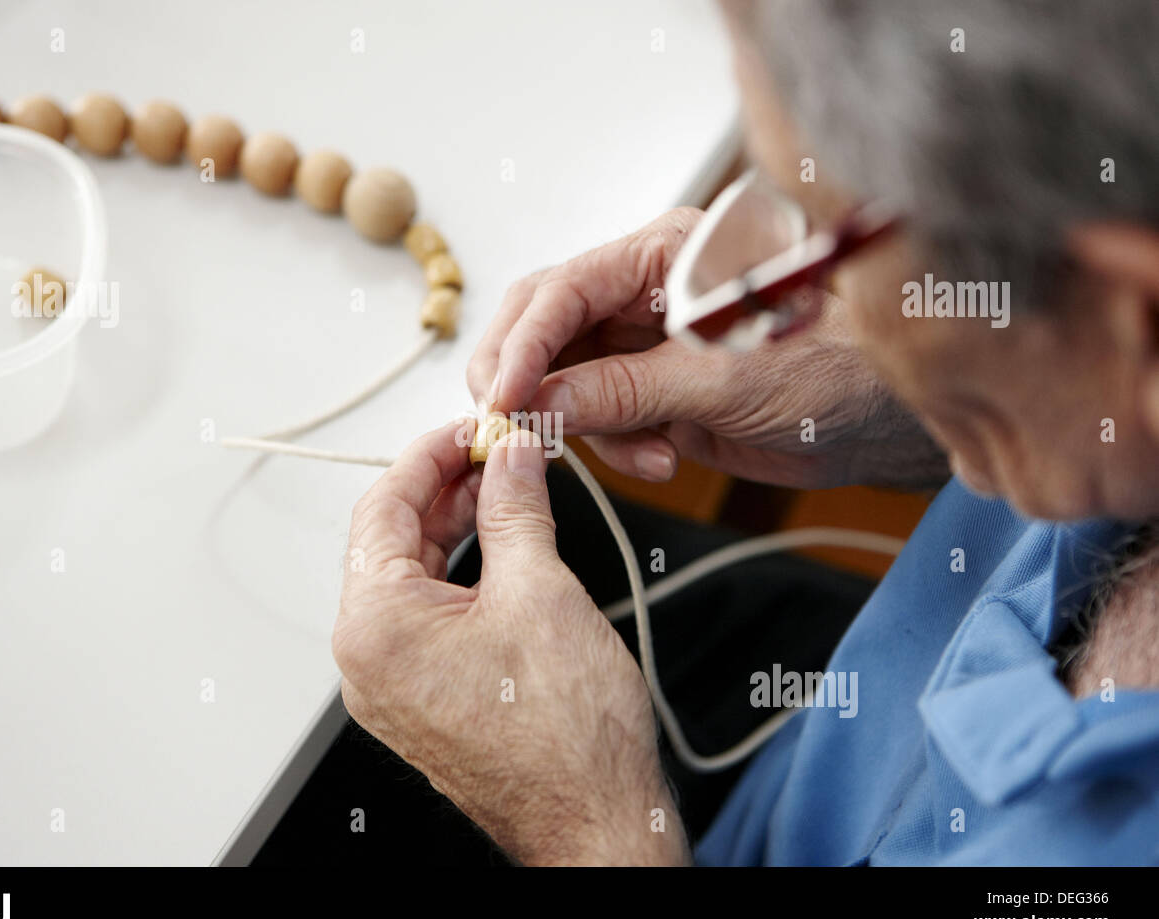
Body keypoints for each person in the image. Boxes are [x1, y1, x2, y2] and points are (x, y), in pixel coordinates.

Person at [329, 0, 1159, 865]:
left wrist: (582, 827)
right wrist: (948, 404)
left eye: (819, 226)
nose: (797, 307)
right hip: (830, 751)